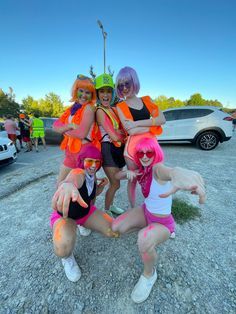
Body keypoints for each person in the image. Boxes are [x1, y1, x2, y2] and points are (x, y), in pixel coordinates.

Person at [111, 137, 205, 303]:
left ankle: (149, 274)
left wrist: (177, 172)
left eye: (150, 152)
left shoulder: (156, 169)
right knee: (116, 226)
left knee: (144, 240)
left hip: (162, 223)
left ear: (156, 153)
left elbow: (169, 172)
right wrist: (128, 173)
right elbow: (117, 175)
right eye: (140, 153)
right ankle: (147, 232)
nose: (145, 156)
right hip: (146, 212)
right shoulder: (141, 169)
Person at [51, 144, 119, 282]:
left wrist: (100, 188)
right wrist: (68, 184)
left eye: (97, 161)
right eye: (89, 161)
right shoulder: (79, 172)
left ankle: (82, 225)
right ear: (82, 161)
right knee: (62, 249)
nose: (93, 165)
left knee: (115, 230)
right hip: (66, 217)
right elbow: (74, 177)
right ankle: (67, 259)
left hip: (85, 213)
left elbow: (89, 198)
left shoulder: (92, 176)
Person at [115, 66, 166, 207]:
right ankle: (133, 208)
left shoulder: (147, 100)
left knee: (154, 176)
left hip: (151, 146)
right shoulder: (121, 106)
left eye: (127, 83)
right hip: (132, 150)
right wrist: (153, 126)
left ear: (134, 82)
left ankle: (154, 206)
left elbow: (162, 119)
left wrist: (137, 123)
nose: (124, 88)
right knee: (133, 180)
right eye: (121, 85)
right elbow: (130, 131)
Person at [53, 75, 98, 184]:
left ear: (92, 94)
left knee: (86, 187)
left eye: (87, 92)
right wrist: (69, 126)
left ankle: (90, 202)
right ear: (75, 91)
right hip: (70, 150)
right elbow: (55, 126)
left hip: (84, 151)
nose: (83, 95)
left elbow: (81, 134)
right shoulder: (71, 109)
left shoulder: (89, 108)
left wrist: (62, 130)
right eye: (81, 91)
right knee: (61, 184)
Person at [95, 73, 127, 215]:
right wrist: (119, 133)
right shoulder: (100, 111)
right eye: (102, 91)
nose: (106, 95)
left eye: (108, 91)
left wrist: (120, 133)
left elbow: (124, 130)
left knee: (116, 184)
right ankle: (106, 211)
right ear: (97, 94)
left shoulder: (113, 109)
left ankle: (110, 206)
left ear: (113, 92)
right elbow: (115, 135)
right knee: (115, 183)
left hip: (118, 149)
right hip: (108, 150)